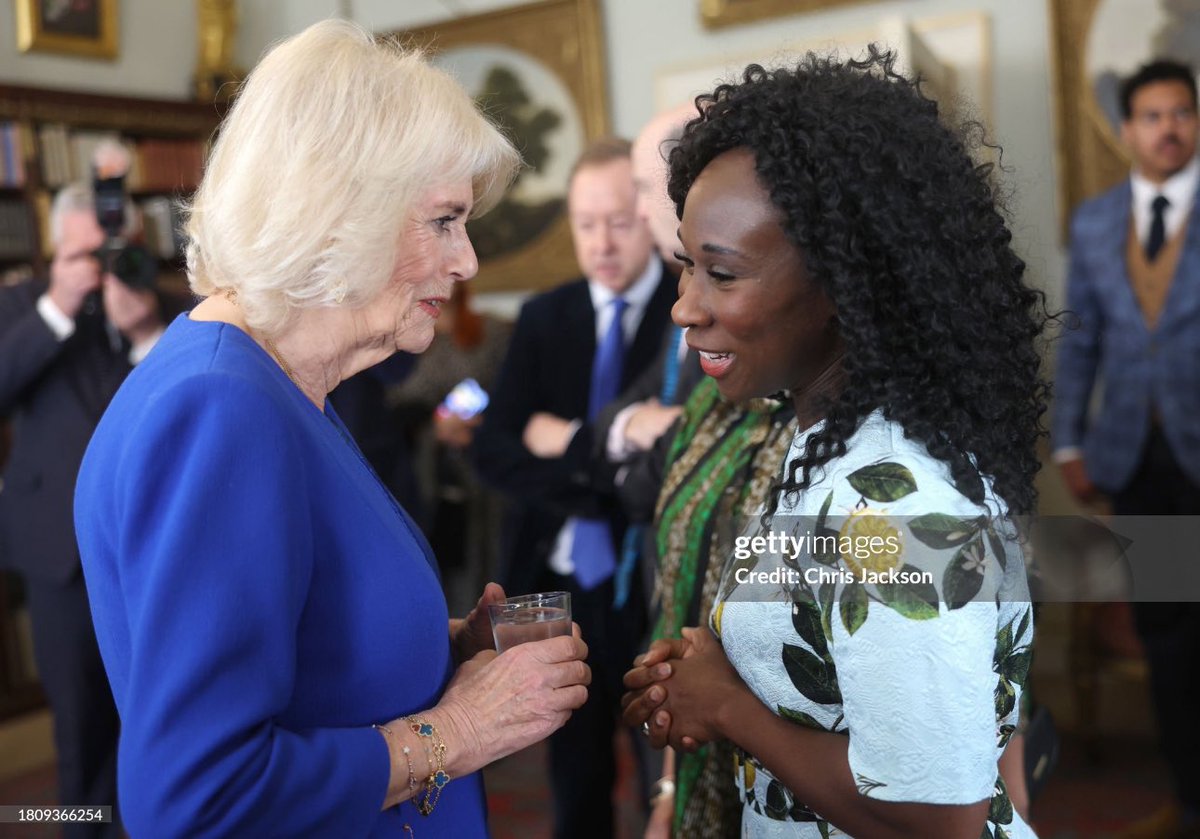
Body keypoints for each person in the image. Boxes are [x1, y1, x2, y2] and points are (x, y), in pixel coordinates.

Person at [72, 20, 590, 837]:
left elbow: (305, 650)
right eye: (446, 220)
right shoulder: (219, 407)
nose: (468, 264)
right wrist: (457, 729)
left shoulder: (275, 385)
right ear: (342, 211)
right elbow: (196, 799)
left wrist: (446, 649)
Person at [622, 49, 1045, 838]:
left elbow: (942, 819)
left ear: (839, 285)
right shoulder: (824, 440)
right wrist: (714, 661)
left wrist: (728, 708)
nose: (685, 307)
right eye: (686, 266)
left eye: (722, 273)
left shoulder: (898, 499)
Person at [473, 137, 674, 838]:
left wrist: (563, 441)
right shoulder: (543, 316)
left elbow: (676, 457)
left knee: (664, 770)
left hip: (646, 573)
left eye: (619, 220)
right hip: (550, 575)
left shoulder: (685, 310)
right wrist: (601, 476)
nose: (603, 241)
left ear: (649, 214)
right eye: (586, 224)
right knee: (569, 770)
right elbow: (494, 449)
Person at [1052, 58, 1200, 839]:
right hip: (1135, 461)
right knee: (1168, 635)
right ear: (1126, 129)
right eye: (1152, 115)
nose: (1168, 127)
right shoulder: (1098, 221)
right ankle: (1191, 794)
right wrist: (1069, 436)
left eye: (1181, 112)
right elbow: (1081, 341)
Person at [0, 182, 165, 838]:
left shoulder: (161, 302)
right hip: (57, 550)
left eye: (115, 248)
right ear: (56, 248)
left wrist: (146, 330)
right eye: (85, 252)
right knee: (80, 726)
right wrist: (58, 307)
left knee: (158, 716)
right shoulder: (21, 304)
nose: (102, 265)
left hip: (152, 544)